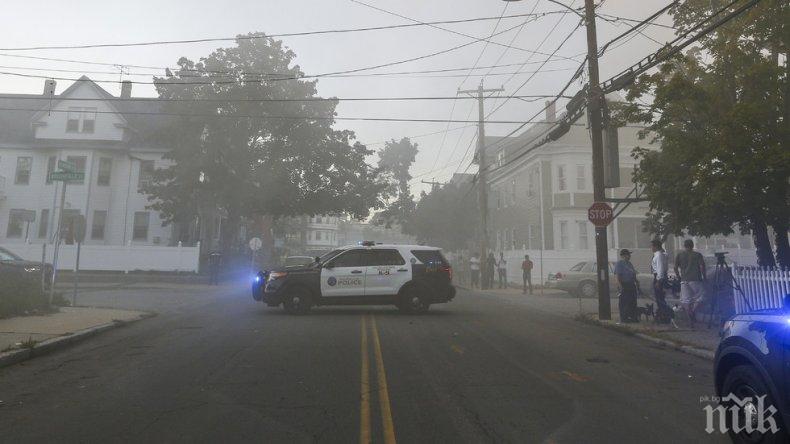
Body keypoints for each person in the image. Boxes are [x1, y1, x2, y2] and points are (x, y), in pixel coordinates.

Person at [675, 239, 706, 328]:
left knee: (687, 301)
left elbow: (675, 267)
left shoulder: (679, 255)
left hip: (684, 280)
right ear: (692, 245)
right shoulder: (697, 255)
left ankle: (690, 321)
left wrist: (678, 277)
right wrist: (704, 277)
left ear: (684, 246)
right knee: (702, 295)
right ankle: (693, 310)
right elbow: (702, 266)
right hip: (695, 279)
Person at [650, 239, 673, 323]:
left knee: (659, 298)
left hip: (659, 278)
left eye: (652, 246)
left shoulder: (659, 255)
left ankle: (665, 316)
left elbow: (660, 269)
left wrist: (658, 281)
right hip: (661, 277)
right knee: (660, 298)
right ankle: (662, 315)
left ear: (656, 246)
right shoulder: (662, 254)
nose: (651, 248)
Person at [614, 249, 640, 323]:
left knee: (633, 301)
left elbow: (633, 274)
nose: (629, 256)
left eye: (629, 254)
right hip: (624, 284)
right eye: (628, 254)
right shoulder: (619, 264)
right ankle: (624, 318)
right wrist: (619, 285)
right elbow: (617, 276)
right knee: (624, 302)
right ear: (623, 255)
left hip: (631, 284)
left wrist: (636, 282)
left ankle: (633, 317)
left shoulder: (629, 264)